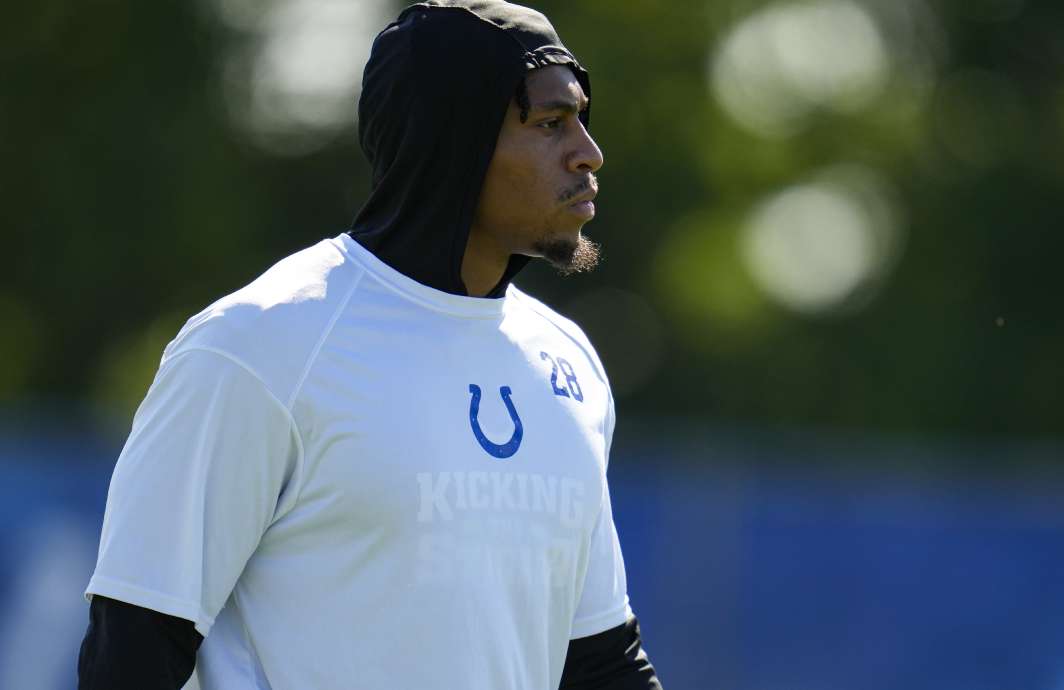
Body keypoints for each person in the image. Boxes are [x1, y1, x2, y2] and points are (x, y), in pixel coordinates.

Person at [76, 1, 662, 688]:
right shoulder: (256, 345)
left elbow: (599, 662)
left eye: (582, 120)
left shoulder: (569, 359)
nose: (588, 152)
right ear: (455, 138)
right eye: (550, 123)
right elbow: (135, 649)